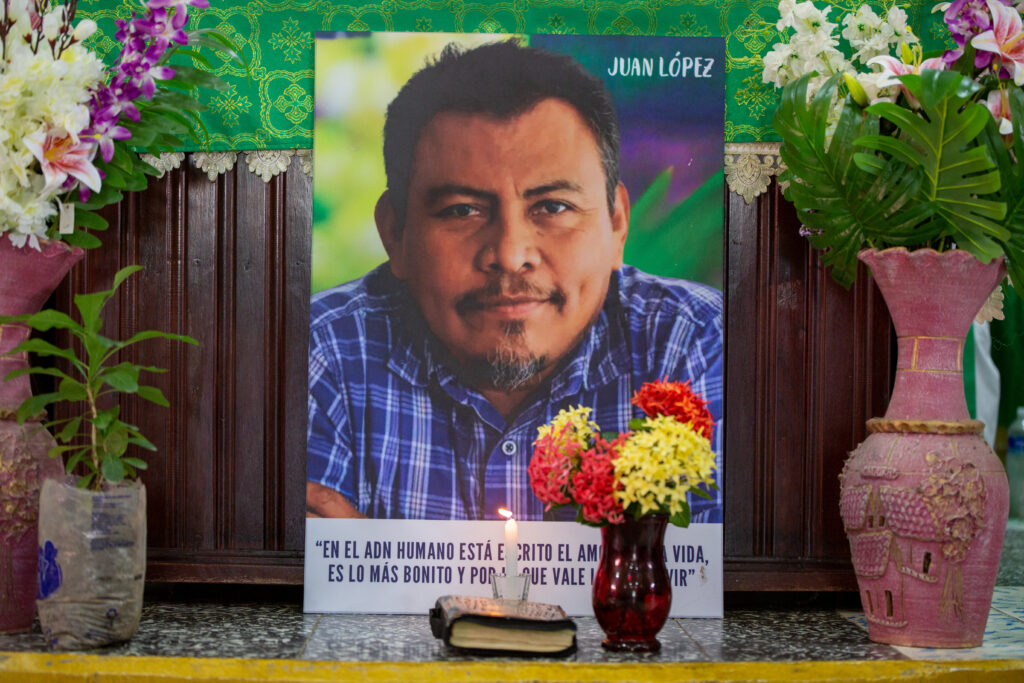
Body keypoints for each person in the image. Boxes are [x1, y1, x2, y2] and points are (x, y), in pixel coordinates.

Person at [307, 40, 723, 521]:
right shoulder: (328, 352)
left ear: (616, 225)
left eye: (553, 207)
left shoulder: (696, 343)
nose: (510, 255)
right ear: (395, 234)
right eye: (462, 210)